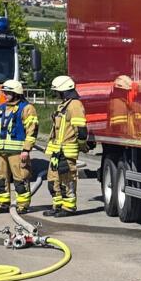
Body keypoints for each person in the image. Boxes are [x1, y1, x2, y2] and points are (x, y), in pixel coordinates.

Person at [0, 79, 38, 214]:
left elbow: (32, 130)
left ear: (16, 93)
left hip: (18, 151)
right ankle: (2, 203)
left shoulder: (27, 108)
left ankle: (23, 205)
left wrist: (26, 149)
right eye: (5, 92)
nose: (5, 95)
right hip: (1, 151)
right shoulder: (2, 108)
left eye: (8, 92)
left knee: (20, 179)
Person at [46, 75, 87, 216]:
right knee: (53, 180)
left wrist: (82, 145)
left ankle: (69, 207)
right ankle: (57, 206)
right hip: (57, 151)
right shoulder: (64, 104)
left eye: (57, 91)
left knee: (67, 180)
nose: (56, 94)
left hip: (67, 151)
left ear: (63, 90)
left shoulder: (75, 105)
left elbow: (80, 128)